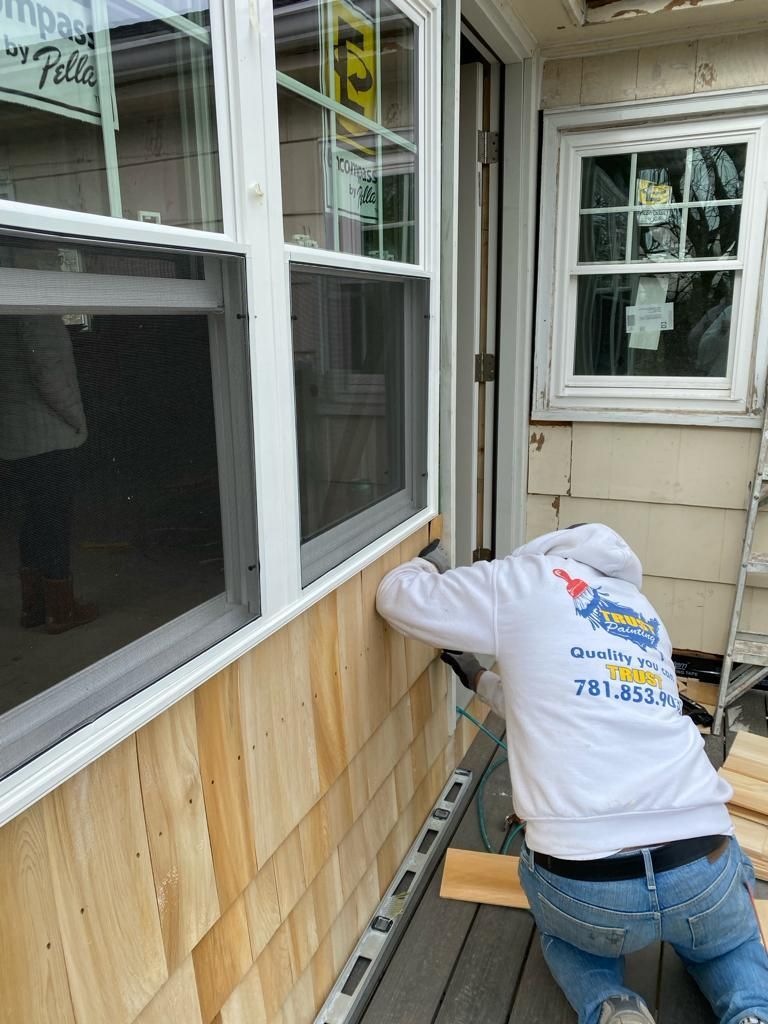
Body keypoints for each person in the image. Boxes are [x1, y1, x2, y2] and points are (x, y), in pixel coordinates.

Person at [376, 524, 768, 1024]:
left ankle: (613, 1007)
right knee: (728, 944)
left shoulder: (524, 579)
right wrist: (477, 676)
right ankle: (752, 1013)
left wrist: (429, 564)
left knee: (568, 940)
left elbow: (398, 599)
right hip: (702, 863)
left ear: (547, 549)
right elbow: (559, 699)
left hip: (587, 885)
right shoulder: (642, 612)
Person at [1, 315, 97, 633]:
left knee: (32, 519)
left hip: (14, 439)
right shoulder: (35, 312)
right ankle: (61, 610)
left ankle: (34, 607)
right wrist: (76, 419)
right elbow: (48, 374)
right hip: (50, 437)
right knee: (54, 521)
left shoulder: (7, 312)